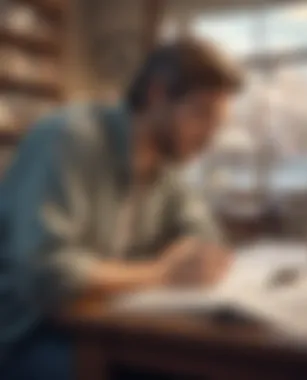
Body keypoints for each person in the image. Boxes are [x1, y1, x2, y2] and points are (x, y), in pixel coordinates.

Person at [0, 38, 243, 379]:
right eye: (201, 115)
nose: (209, 138)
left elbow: (207, 238)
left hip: (104, 325)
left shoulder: (167, 169)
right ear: (157, 94)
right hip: (25, 335)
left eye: (217, 125)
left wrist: (198, 258)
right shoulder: (68, 138)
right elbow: (46, 274)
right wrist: (162, 273)